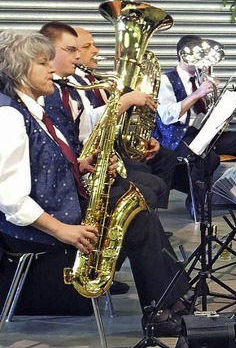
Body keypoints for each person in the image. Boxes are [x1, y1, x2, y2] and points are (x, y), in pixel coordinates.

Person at [0, 29, 190, 336]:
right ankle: (165, 306)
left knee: (138, 213)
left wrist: (83, 166)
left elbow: (40, 164)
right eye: (42, 63)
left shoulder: (33, 111)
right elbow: (9, 197)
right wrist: (63, 230)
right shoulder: (9, 117)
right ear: (19, 69)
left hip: (54, 209)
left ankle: (168, 303)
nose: (51, 68)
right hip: (35, 230)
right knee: (138, 220)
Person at [38, 21, 165, 211]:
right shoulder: (49, 94)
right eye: (74, 49)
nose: (83, 54)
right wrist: (126, 101)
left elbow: (85, 129)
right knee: (147, 191)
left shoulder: (75, 85)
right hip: (70, 182)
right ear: (48, 51)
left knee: (154, 177)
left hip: (85, 166)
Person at [155, 35, 236, 213]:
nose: (201, 61)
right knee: (209, 158)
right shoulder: (166, 80)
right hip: (178, 136)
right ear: (181, 54)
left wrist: (224, 103)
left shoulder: (202, 78)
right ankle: (195, 201)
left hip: (205, 134)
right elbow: (167, 116)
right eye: (197, 55)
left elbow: (208, 113)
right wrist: (197, 94)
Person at [73, 26, 178, 209]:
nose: (96, 50)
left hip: (111, 148)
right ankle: (144, 223)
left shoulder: (96, 80)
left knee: (165, 157)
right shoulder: (73, 83)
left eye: (95, 45)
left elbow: (115, 123)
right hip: (93, 155)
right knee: (149, 178)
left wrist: (143, 138)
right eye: (88, 46)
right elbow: (89, 123)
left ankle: (152, 219)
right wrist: (127, 100)